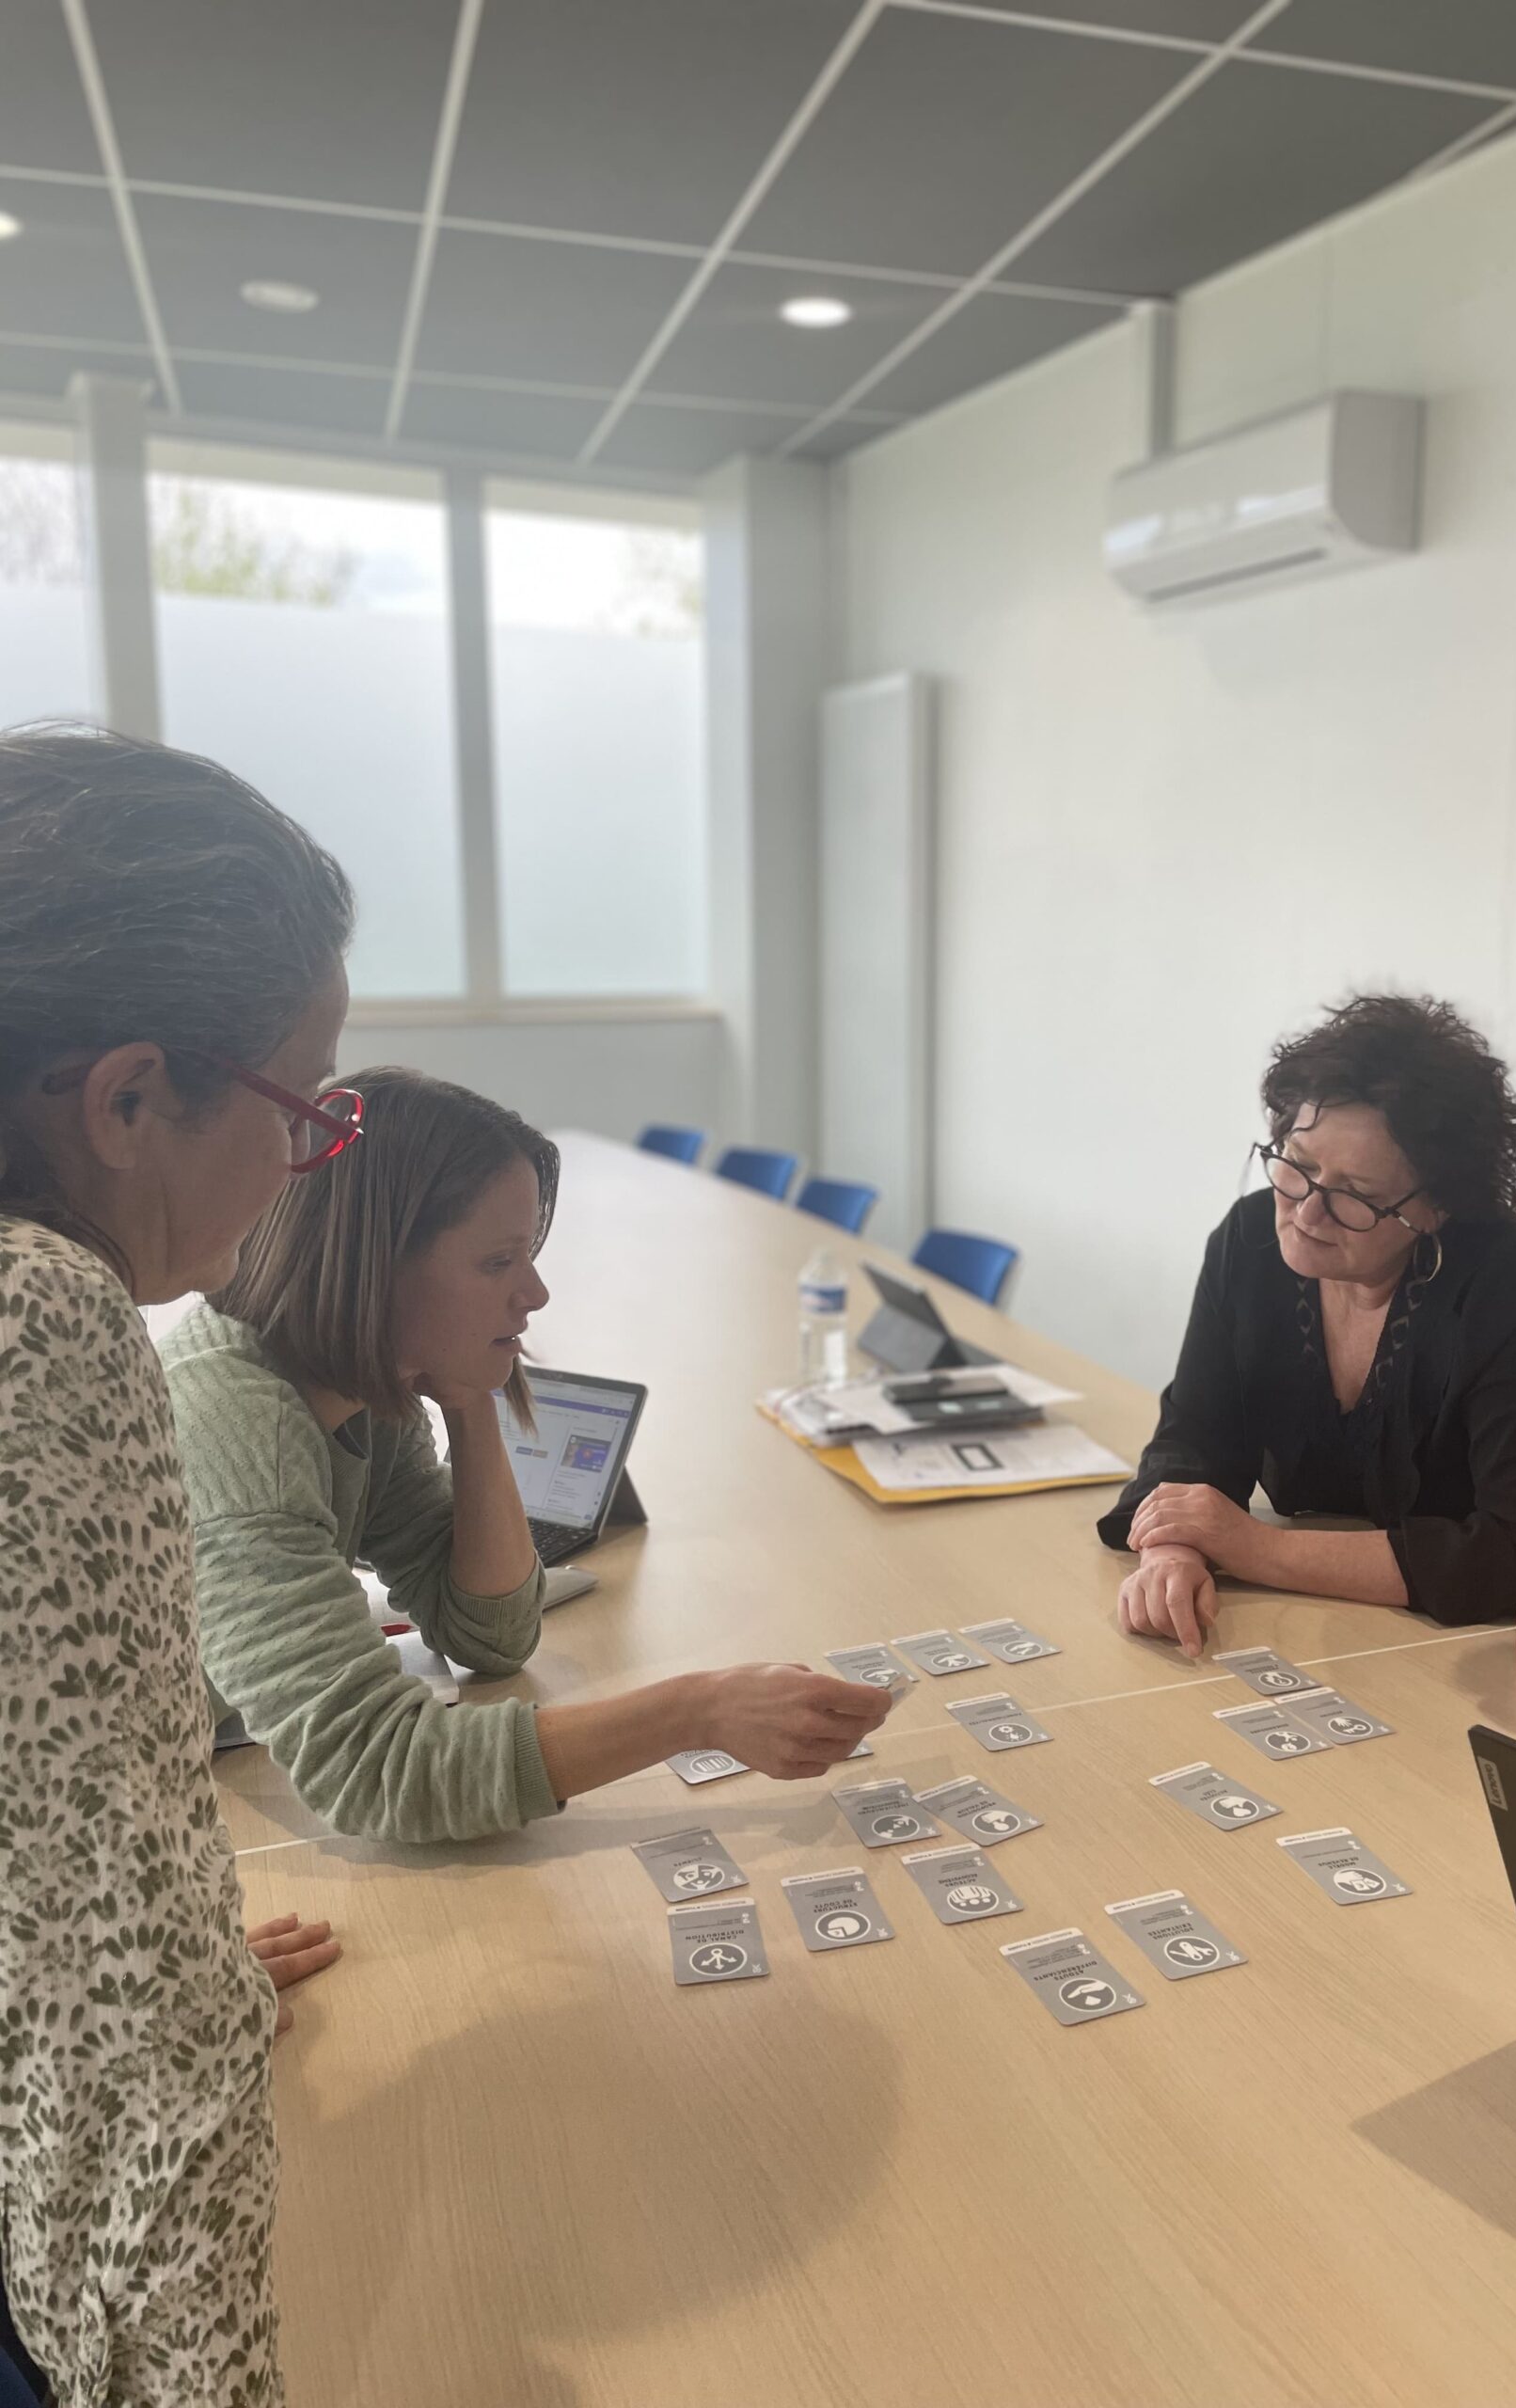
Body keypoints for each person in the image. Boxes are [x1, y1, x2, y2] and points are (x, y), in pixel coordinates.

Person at [0, 725, 354, 2406]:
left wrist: (177, 1947)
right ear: (131, 1095)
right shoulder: (38, 1320)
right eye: (305, 1107)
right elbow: (117, 1995)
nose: (304, 1166)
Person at [161, 1067, 892, 1845]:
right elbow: (382, 1775)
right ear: (375, 1268)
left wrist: (472, 1400)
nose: (535, 1293)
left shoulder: (360, 1383)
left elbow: (492, 1634)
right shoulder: (246, 1432)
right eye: (496, 1263)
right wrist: (698, 1710)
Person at [1104, 994, 1516, 1655]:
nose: (1306, 1214)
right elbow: (1194, 1439)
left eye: (1355, 1196)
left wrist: (1256, 1550)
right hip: (1297, 1627)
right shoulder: (1248, 1239)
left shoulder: (1508, 1285)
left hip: (1447, 1651)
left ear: (1437, 1209)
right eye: (1298, 1166)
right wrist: (1174, 1549)